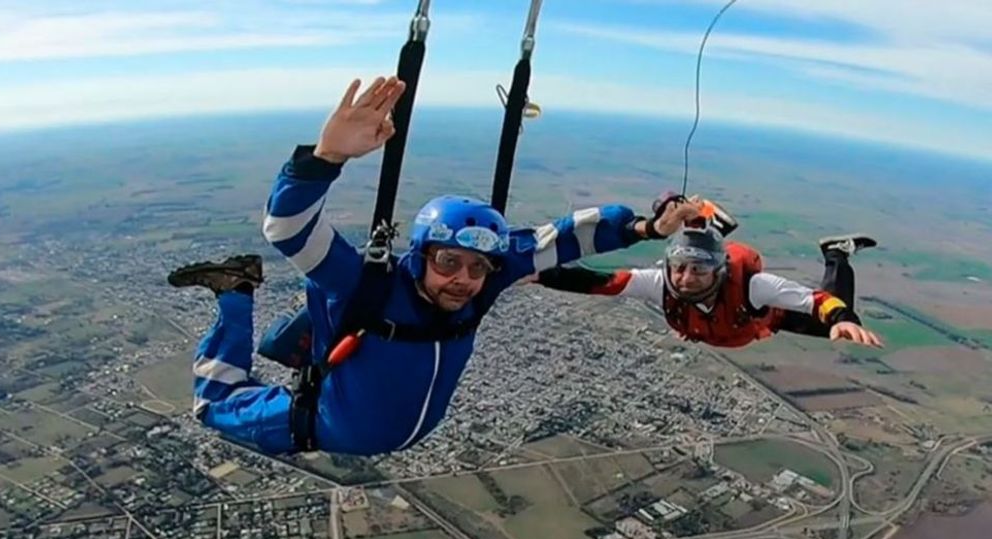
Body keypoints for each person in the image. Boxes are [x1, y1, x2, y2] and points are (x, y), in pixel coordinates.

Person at [167, 75, 664, 457]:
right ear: (421, 254)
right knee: (214, 405)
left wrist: (646, 229)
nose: (463, 281)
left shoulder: (484, 283)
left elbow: (566, 237)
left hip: (374, 428)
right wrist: (326, 158)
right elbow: (287, 228)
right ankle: (235, 291)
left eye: (477, 268)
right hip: (319, 425)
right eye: (449, 262)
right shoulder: (367, 283)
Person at [535, 197, 884, 349]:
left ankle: (836, 254)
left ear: (718, 272)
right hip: (739, 326)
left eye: (699, 271)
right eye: (680, 268)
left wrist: (842, 316)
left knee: (832, 330)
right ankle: (708, 223)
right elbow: (600, 283)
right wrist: (538, 274)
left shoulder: (754, 287)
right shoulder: (662, 283)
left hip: (766, 318)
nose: (685, 279)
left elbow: (815, 300)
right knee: (694, 252)